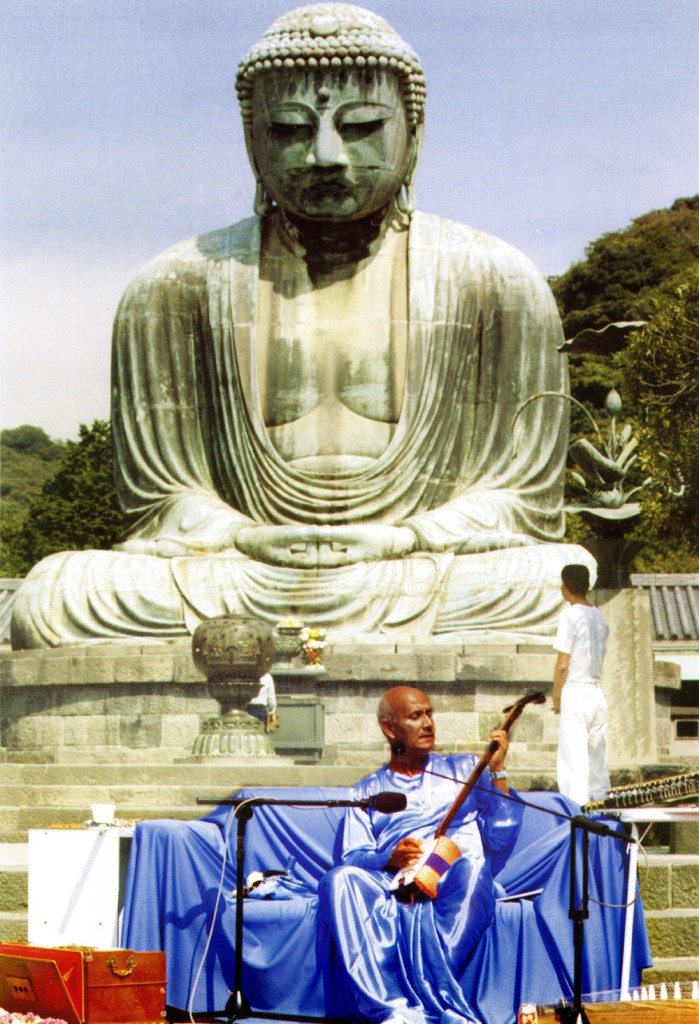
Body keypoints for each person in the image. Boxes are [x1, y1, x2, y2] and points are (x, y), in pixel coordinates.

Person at [11, 3, 595, 650]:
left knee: (557, 581)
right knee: (54, 593)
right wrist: (242, 535)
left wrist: (405, 537)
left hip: (416, 567)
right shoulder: (173, 288)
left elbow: (519, 498)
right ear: (250, 139)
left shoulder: (495, 281)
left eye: (363, 126)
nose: (323, 155)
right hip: (242, 569)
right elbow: (161, 501)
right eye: (288, 130)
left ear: (414, 132)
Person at [317, 685, 522, 1024]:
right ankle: (393, 1010)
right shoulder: (368, 790)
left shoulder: (464, 770)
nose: (428, 723)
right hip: (397, 886)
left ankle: (437, 1000)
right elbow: (352, 856)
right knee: (338, 881)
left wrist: (498, 771)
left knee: (471, 869)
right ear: (389, 728)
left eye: (430, 713)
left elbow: (501, 836)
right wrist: (388, 856)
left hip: (456, 882)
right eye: (416, 716)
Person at [552, 563, 611, 805]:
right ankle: (601, 802)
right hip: (597, 692)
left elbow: (563, 663)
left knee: (573, 759)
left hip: (576, 690)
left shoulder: (570, 615)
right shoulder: (599, 617)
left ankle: (574, 812)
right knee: (597, 756)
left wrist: (556, 697)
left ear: (565, 586)